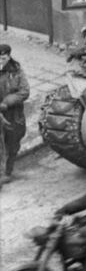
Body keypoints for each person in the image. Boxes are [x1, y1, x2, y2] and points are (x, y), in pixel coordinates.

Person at [0, 44, 30, 184]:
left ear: (9, 56)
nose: (0, 60)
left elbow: (24, 91)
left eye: (3, 58)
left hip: (14, 114)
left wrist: (7, 102)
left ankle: (8, 171)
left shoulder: (16, 70)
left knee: (13, 143)